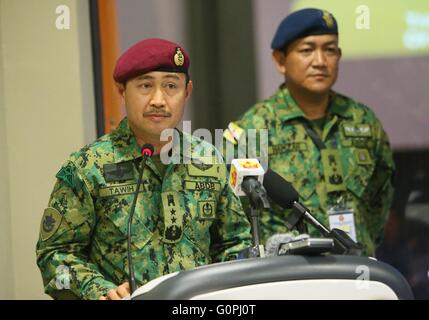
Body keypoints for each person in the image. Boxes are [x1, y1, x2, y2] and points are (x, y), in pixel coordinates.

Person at [36, 38, 252, 300]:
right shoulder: (88, 167)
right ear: (122, 91)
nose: (158, 100)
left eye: (171, 86)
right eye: (145, 86)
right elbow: (55, 255)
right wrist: (99, 292)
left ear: (187, 91)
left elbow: (235, 244)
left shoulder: (208, 159)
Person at [224, 8, 395, 256]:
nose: (320, 61)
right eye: (307, 50)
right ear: (280, 60)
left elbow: (381, 201)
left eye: (330, 49)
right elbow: (232, 215)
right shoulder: (252, 129)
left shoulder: (363, 121)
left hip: (356, 270)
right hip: (290, 277)